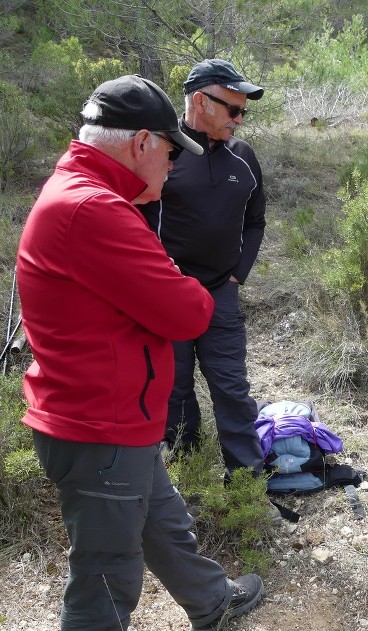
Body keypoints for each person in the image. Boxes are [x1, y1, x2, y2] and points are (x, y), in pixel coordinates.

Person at [17, 74, 264, 631]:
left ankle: (210, 601)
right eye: (169, 150)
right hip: (97, 427)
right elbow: (188, 311)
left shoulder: (87, 194)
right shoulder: (92, 211)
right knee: (106, 578)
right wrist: (178, 283)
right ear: (141, 144)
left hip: (111, 418)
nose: (175, 162)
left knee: (162, 519)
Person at [140, 59, 267, 475]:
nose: (240, 120)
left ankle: (247, 479)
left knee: (232, 388)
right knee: (173, 391)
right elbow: (136, 222)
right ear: (201, 100)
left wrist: (236, 275)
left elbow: (255, 219)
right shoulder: (162, 153)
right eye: (234, 109)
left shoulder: (243, 157)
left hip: (219, 295)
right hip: (168, 299)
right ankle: (188, 470)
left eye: (244, 111)